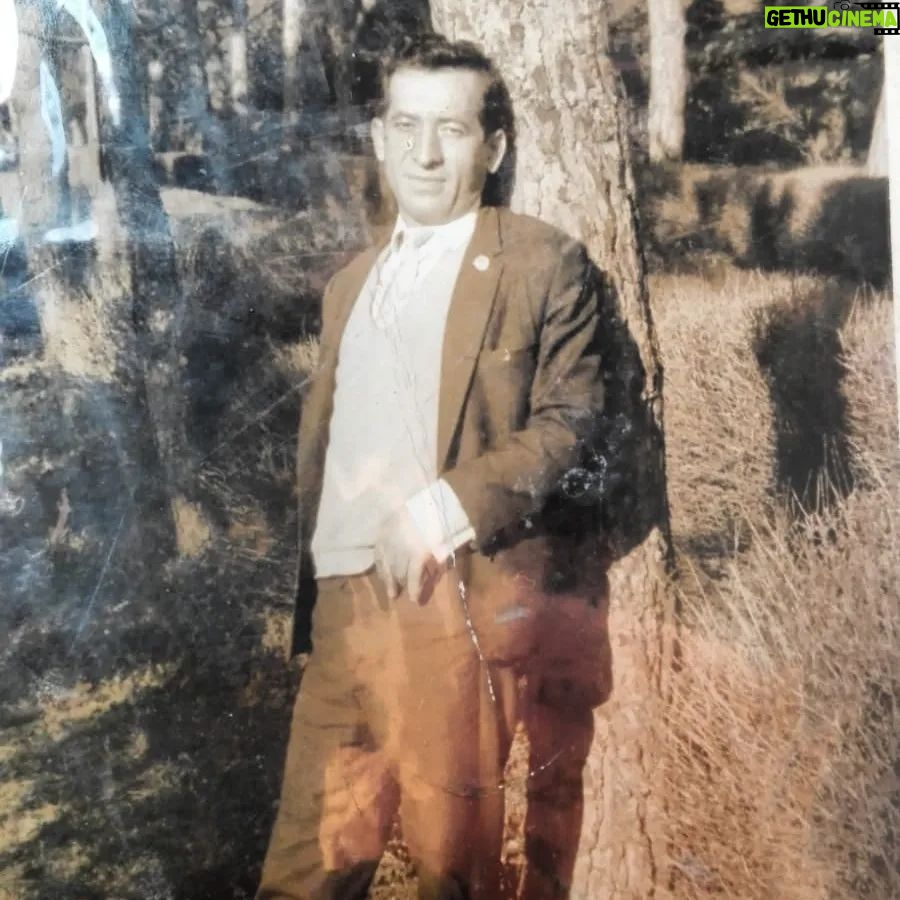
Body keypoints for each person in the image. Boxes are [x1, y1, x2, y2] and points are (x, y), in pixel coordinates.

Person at [257, 33, 632, 900]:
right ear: (380, 137)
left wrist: (440, 511)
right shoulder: (350, 285)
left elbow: (575, 423)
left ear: (492, 150)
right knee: (307, 866)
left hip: (452, 602)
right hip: (344, 612)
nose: (424, 153)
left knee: (449, 870)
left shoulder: (540, 261)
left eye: (452, 130)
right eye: (406, 126)